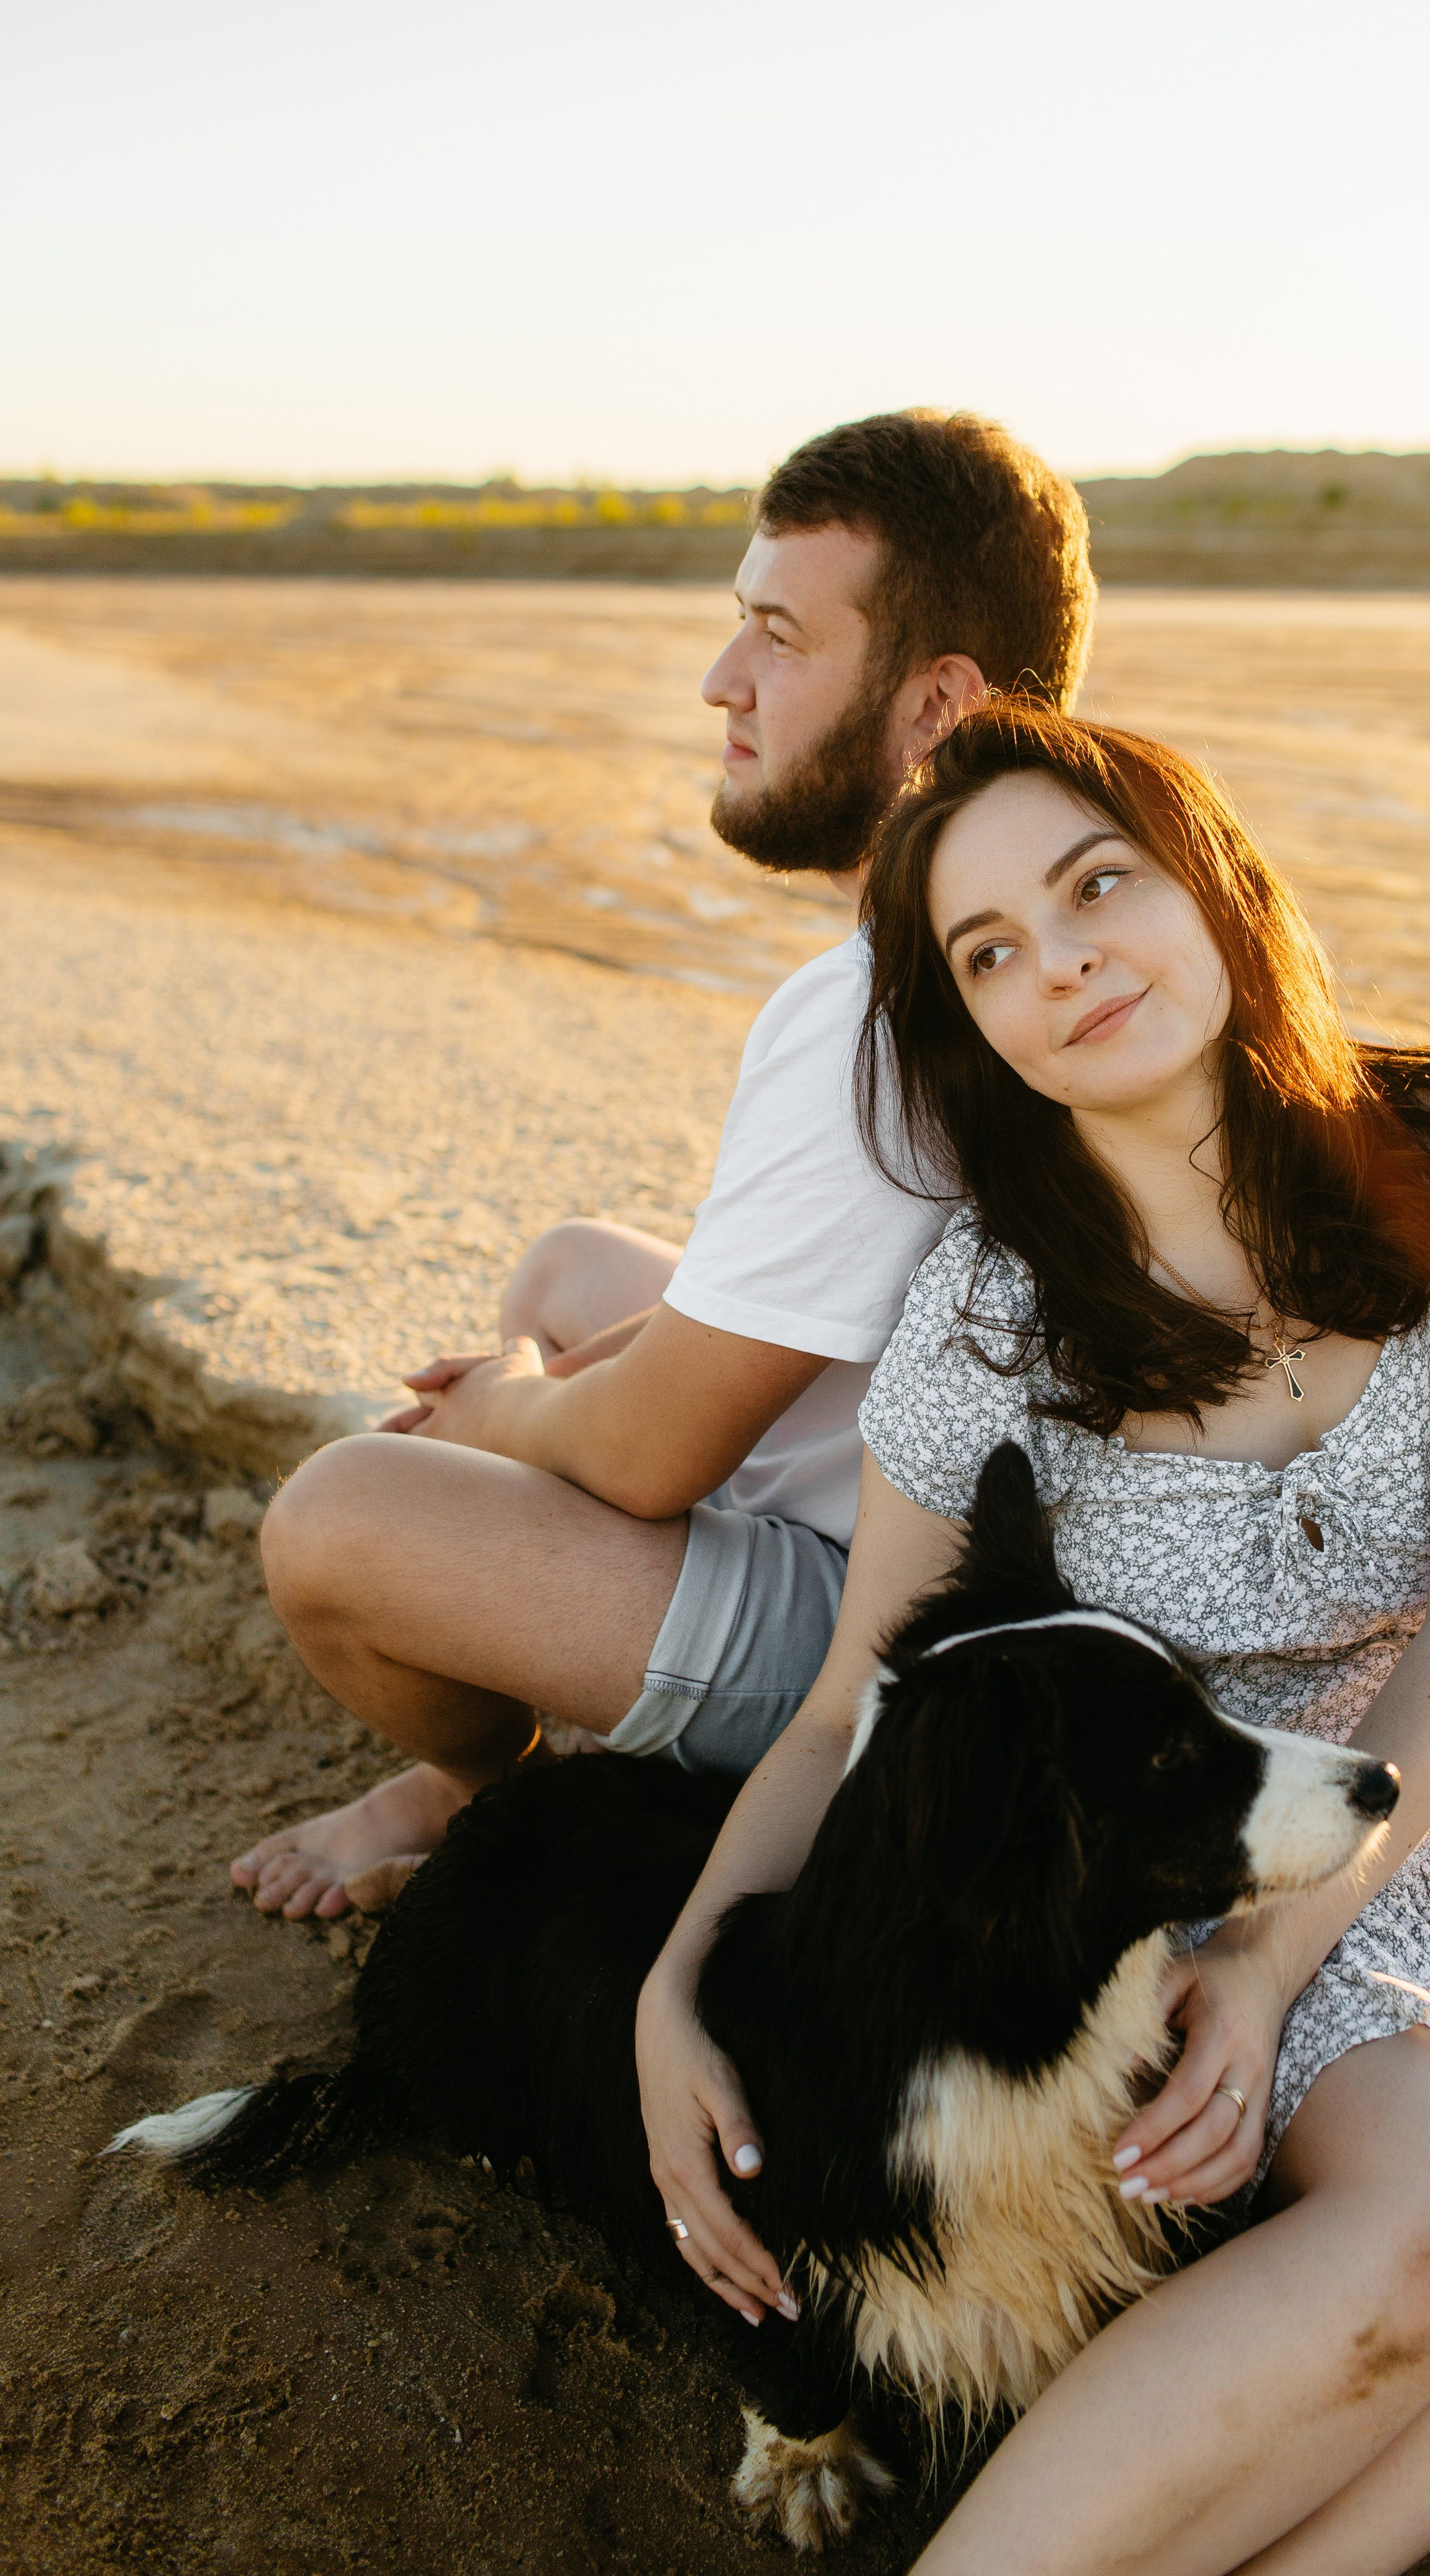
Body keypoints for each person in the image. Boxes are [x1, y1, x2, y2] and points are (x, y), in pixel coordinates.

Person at [636, 700, 1430, 2569]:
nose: (1061, 964)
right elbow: (852, 1712)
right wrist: (681, 1980)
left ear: (1211, 881)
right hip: (1221, 1833)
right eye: (989, 952)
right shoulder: (986, 1320)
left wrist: (1287, 1965)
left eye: (1093, 887)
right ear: (968, 1026)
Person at [231, 413, 1097, 1924]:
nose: (722, 680)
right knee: (573, 1272)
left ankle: (508, 1791)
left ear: (934, 704)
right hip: (948, 1506)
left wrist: (505, 1410)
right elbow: (861, 1286)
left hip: (917, 1647)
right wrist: (567, 1378)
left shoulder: (873, 1007)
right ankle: (549, 1738)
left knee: (337, 1521)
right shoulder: (1037, 918)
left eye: (778, 636)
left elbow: (646, 1462)